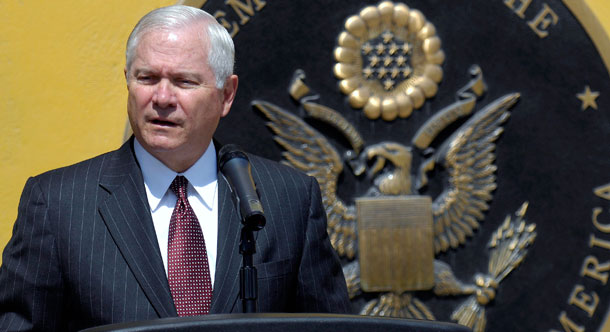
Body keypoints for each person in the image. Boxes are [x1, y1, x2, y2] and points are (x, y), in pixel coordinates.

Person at [0, 5, 350, 331]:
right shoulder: (57, 204)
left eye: (184, 81)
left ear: (226, 94)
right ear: (127, 80)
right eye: (147, 78)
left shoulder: (289, 199)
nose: (162, 98)